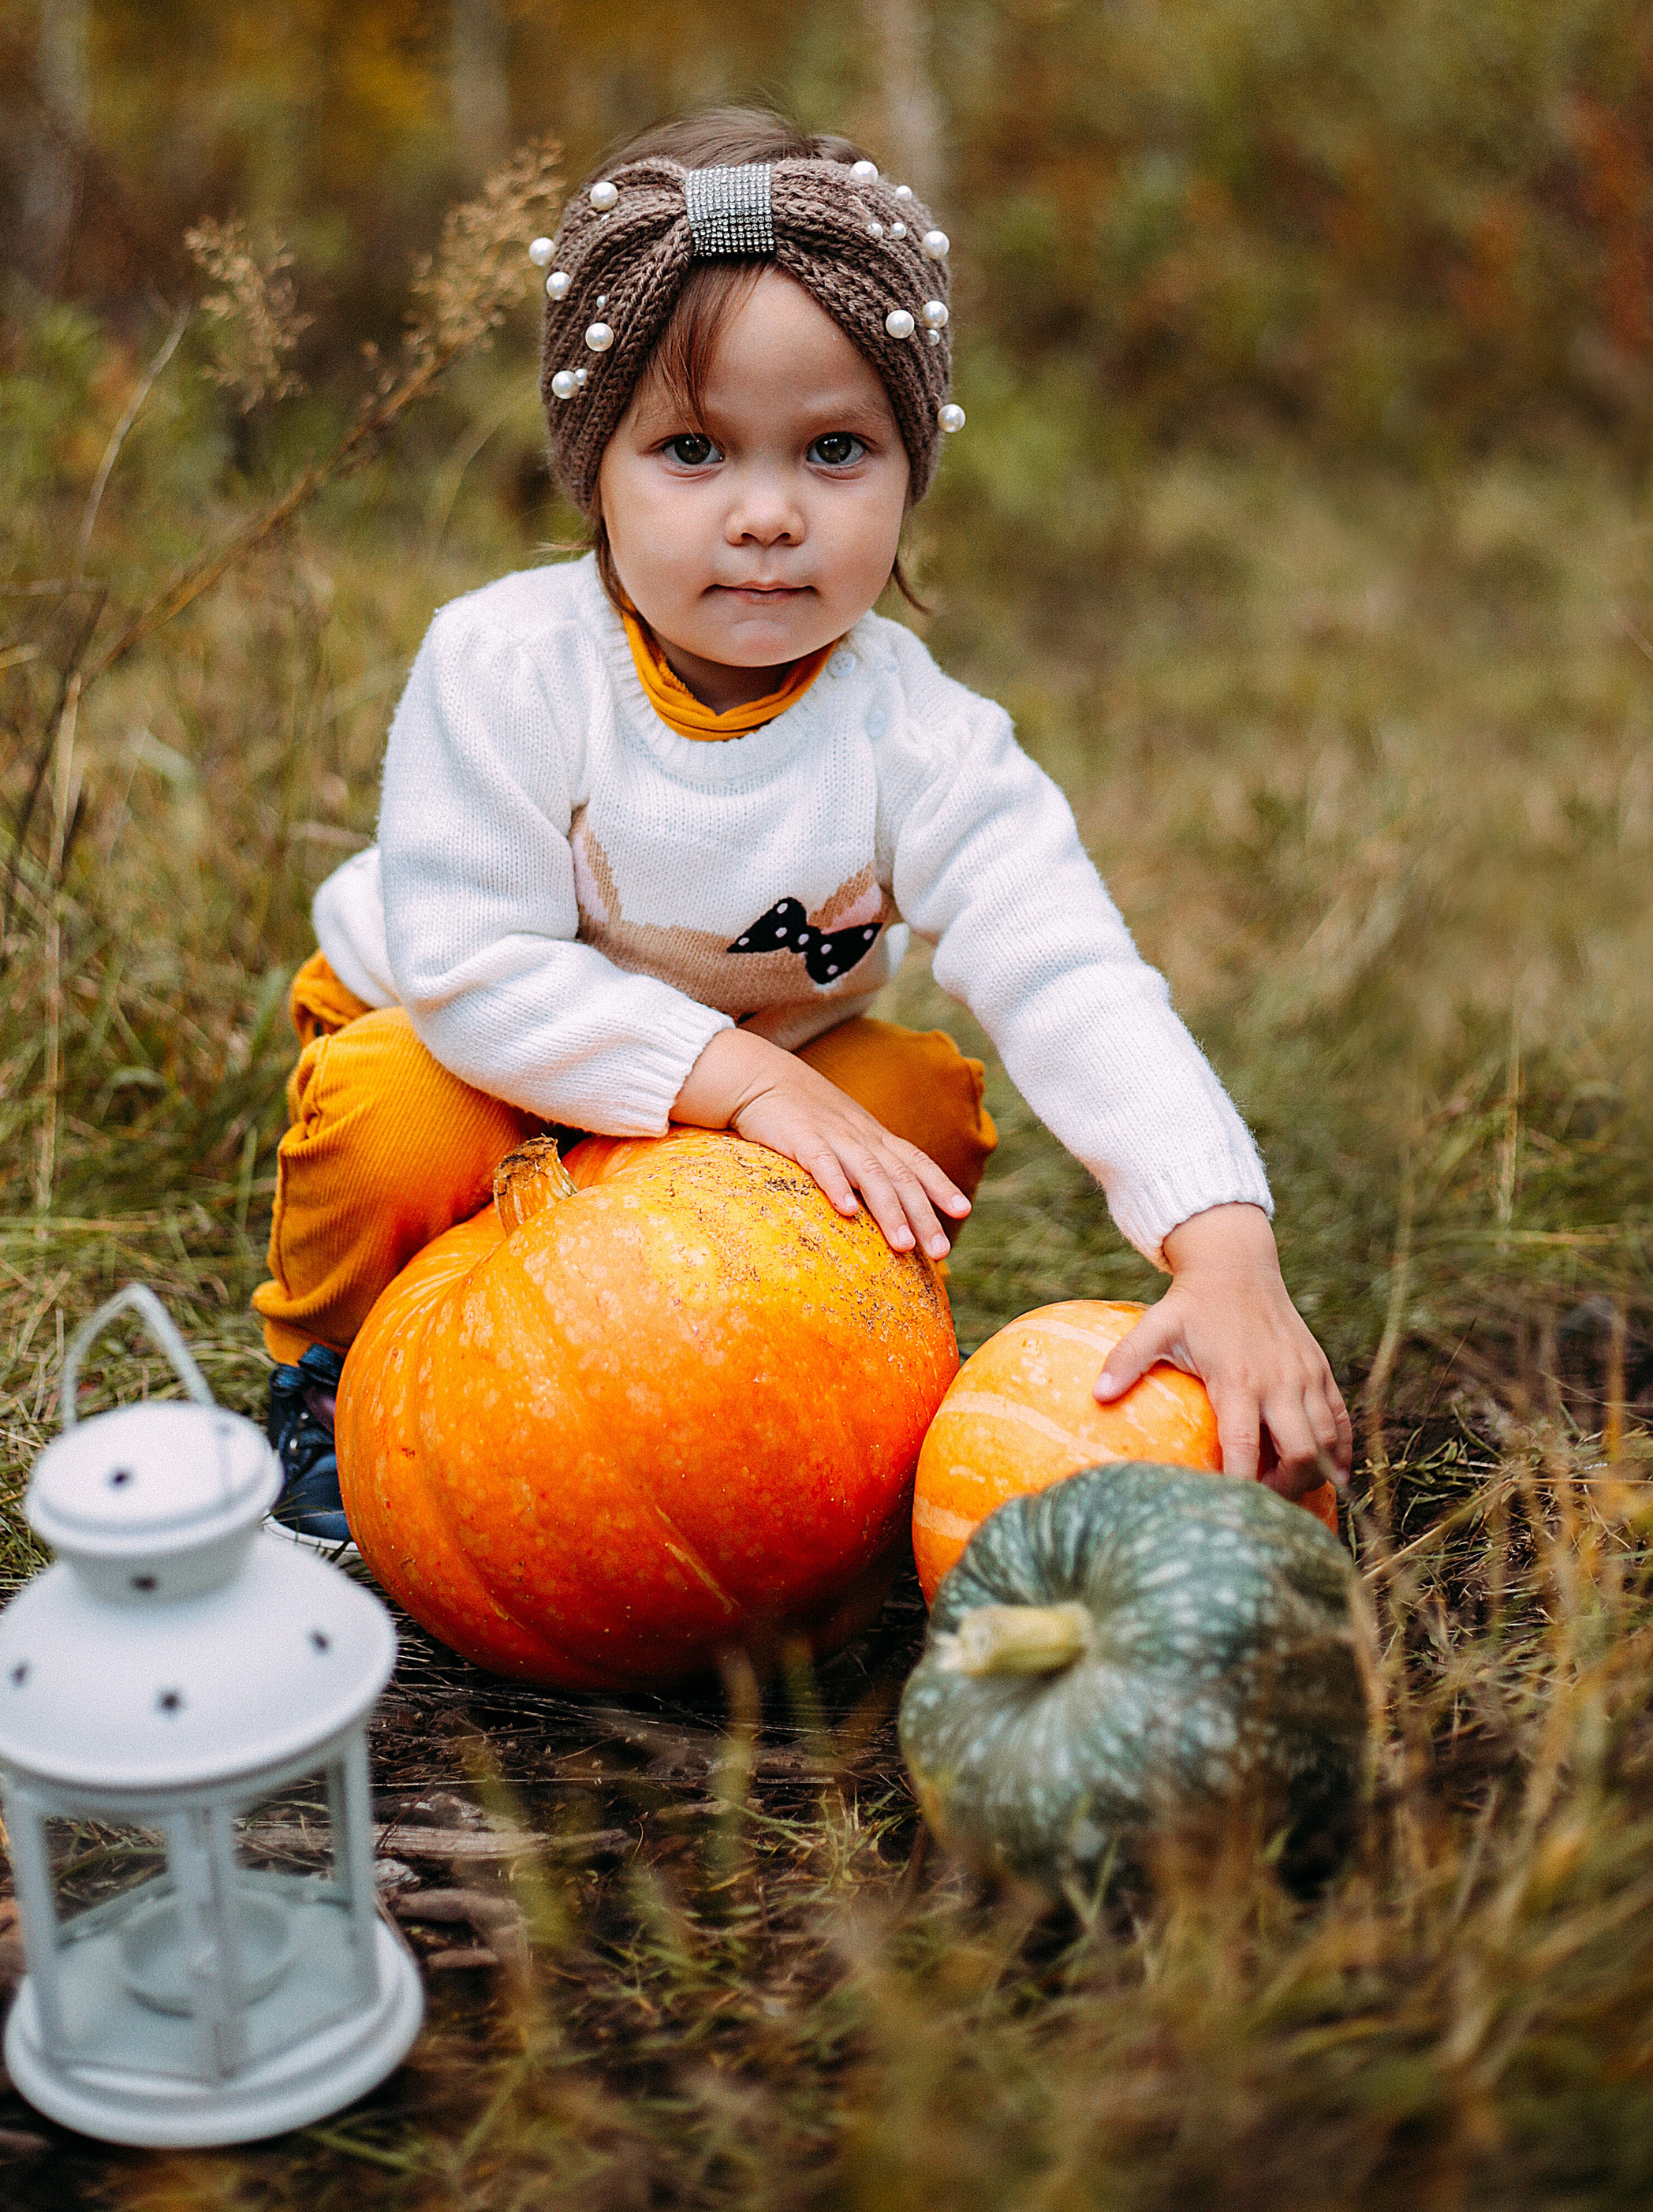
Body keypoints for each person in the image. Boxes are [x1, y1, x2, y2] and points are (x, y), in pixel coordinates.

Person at [259, 109, 1353, 1550]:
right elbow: (470, 966)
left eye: (835, 450)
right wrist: (739, 1084)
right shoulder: (507, 665)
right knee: (397, 1112)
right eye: (695, 450)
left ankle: (816, 1382)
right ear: (595, 469)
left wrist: (1225, 1248)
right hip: (476, 1042)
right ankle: (330, 1386)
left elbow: (1070, 967)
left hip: (762, 1062)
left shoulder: (923, 738)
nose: (769, 515)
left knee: (914, 1110)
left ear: (911, 474)